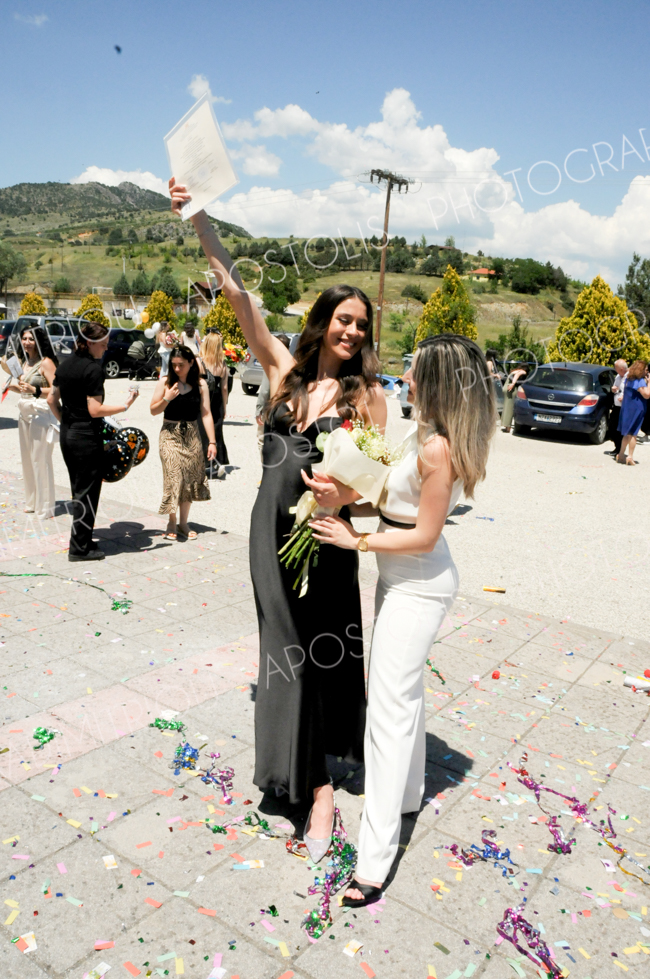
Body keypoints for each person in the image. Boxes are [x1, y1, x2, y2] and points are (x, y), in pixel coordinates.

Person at [169, 177, 387, 860]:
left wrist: (342, 500)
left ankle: (317, 792)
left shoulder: (368, 399)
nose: (352, 331)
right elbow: (239, 296)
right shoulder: (283, 369)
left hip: (324, 542)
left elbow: (377, 493)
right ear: (323, 320)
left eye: (362, 324)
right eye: (344, 319)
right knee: (282, 656)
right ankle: (304, 776)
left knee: (312, 658)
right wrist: (200, 219)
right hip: (270, 539)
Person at [307, 335, 495, 905]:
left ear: (438, 382)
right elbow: (393, 503)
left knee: (386, 714)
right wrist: (341, 497)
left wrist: (355, 540)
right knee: (403, 698)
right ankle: (409, 795)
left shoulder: (440, 449)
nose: (404, 379)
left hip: (420, 587)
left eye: (414, 372)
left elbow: (426, 535)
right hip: (398, 580)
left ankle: (373, 862)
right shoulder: (423, 433)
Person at [47, 321, 139, 561]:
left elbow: (51, 400)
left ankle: (83, 540)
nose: (106, 348)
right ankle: (79, 549)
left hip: (68, 434)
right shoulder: (93, 369)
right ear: (89, 342)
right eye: (103, 344)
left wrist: (67, 422)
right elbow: (95, 410)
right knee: (87, 493)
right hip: (86, 437)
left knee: (79, 490)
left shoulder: (65, 365)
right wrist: (125, 405)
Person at [150, 344, 217, 540]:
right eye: (174, 365)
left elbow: (206, 414)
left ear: (191, 363)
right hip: (169, 435)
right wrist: (166, 398)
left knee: (188, 480)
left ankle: (183, 523)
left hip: (192, 435)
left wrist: (212, 442)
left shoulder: (200, 384)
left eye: (181, 365)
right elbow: (153, 410)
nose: (177, 368)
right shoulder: (165, 382)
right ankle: (171, 521)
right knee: (174, 477)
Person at [7, 324, 58, 518]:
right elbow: (25, 387)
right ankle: (32, 502)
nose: (27, 342)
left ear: (38, 341)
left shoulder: (46, 363)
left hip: (41, 414)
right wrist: (14, 388)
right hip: (25, 412)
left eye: (31, 339)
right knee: (28, 460)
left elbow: (56, 390)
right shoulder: (24, 362)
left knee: (41, 460)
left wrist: (35, 390)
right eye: (24, 338)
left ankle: (46, 506)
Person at [199, 330, 230, 477]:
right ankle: (216, 461)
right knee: (216, 430)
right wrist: (225, 406)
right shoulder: (222, 364)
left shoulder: (200, 361)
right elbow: (224, 388)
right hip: (216, 399)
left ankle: (200, 461)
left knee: (201, 428)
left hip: (202, 398)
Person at [255, 332, 291, 455]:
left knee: (262, 439)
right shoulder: (293, 364)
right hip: (286, 410)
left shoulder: (272, 365)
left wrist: (259, 409)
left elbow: (265, 390)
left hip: (270, 408)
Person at [616, 360, 650, 465]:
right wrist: (649, 383)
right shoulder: (639, 381)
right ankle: (630, 456)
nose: (646, 371)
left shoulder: (628, 379)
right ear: (641, 370)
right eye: (645, 369)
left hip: (627, 408)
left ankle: (621, 454)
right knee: (633, 434)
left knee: (626, 433)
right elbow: (647, 395)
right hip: (636, 409)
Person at [605, 359, 627, 457]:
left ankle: (620, 450)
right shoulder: (618, 376)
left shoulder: (629, 377)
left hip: (625, 407)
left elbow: (632, 391)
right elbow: (616, 387)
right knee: (612, 427)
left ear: (621, 369)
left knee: (620, 430)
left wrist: (625, 397)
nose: (615, 370)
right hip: (616, 405)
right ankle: (617, 447)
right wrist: (613, 389)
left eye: (616, 368)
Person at [501, 362, 527, 432]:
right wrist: (513, 384)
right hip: (511, 389)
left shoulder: (514, 371)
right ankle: (508, 427)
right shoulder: (522, 371)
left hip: (506, 387)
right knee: (510, 408)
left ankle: (505, 425)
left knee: (506, 407)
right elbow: (517, 375)